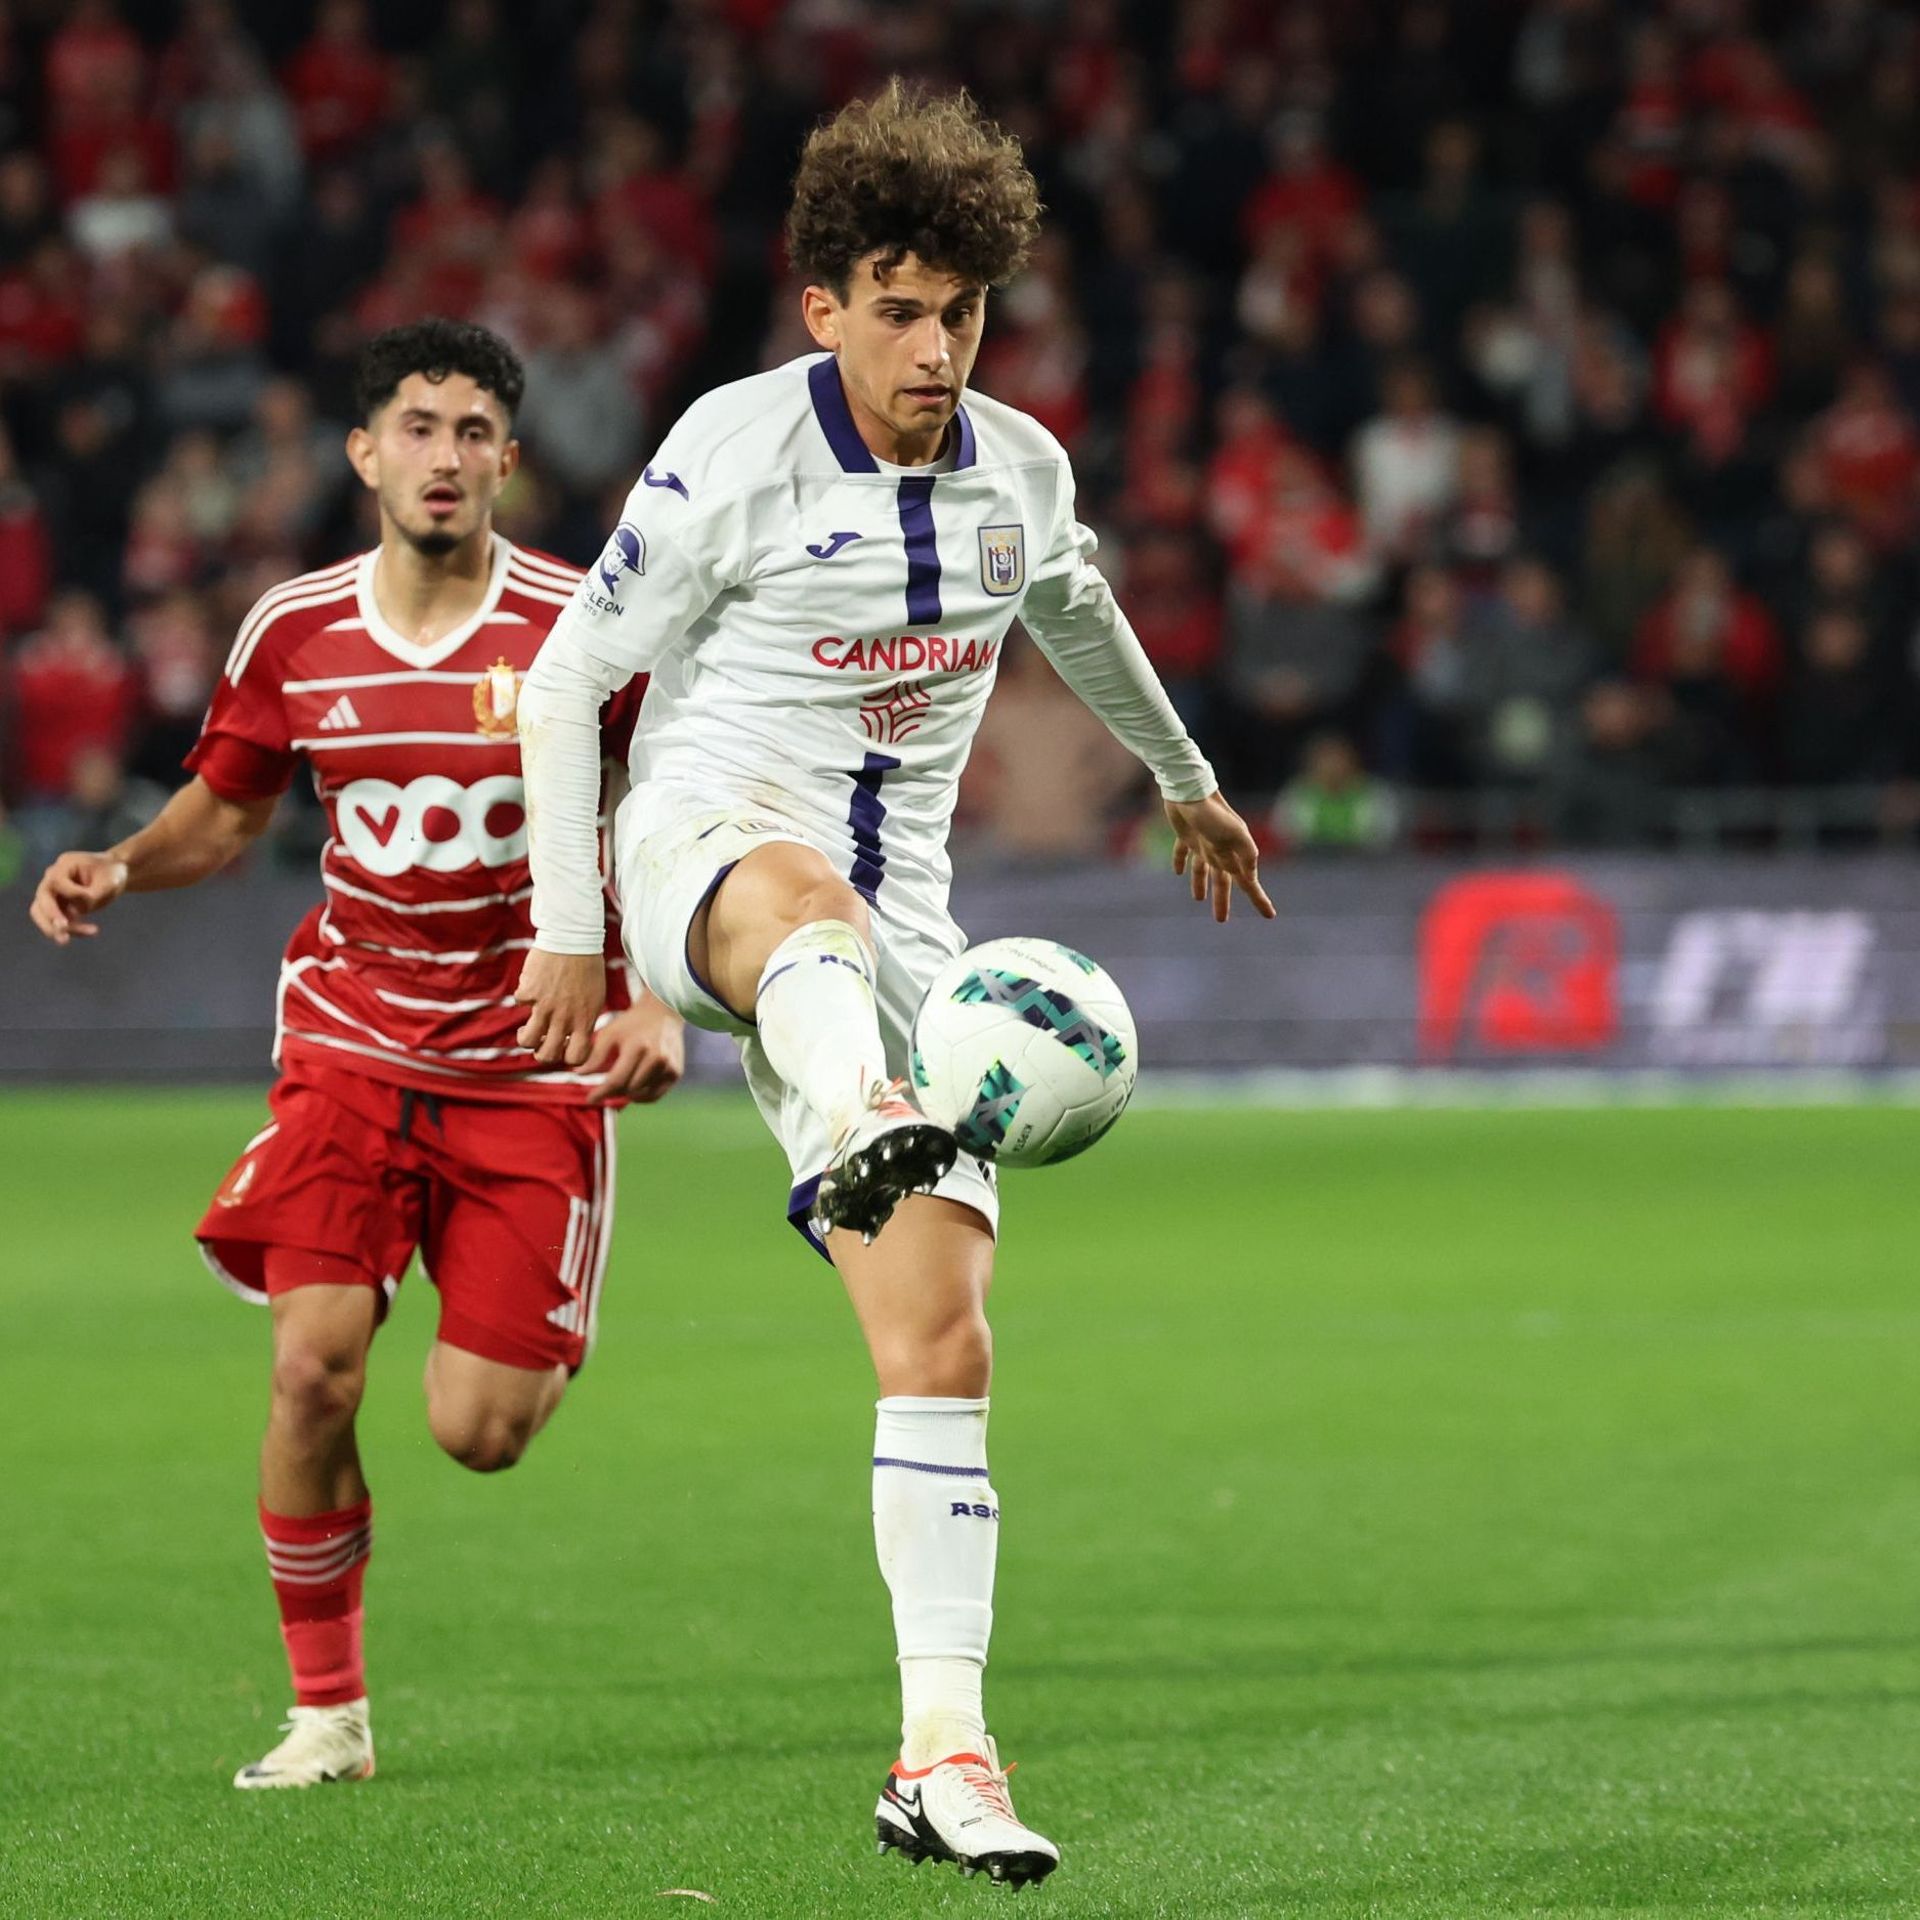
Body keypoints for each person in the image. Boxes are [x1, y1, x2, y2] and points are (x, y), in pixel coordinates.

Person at [510, 83, 1272, 1888]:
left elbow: (1075, 607)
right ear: (824, 307)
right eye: (903, 311)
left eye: (967, 314)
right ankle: (857, 1108)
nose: (938, 349)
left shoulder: (1021, 469)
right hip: (709, 851)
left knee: (939, 1345)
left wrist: (1184, 781)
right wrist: (568, 930)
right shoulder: (727, 451)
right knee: (812, 915)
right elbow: (560, 687)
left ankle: (945, 1750)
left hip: (903, 934)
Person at [28, 320, 684, 1791]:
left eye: (471, 431)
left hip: (533, 1058)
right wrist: (122, 864)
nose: (443, 455)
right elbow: (229, 810)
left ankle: (530, 1297)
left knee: (480, 1432)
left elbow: (671, 810)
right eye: (417, 426)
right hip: (349, 1040)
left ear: (509, 459)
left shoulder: (587, 628)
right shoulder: (294, 628)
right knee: (313, 1373)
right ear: (363, 451)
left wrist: (658, 1000)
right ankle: (328, 1712)